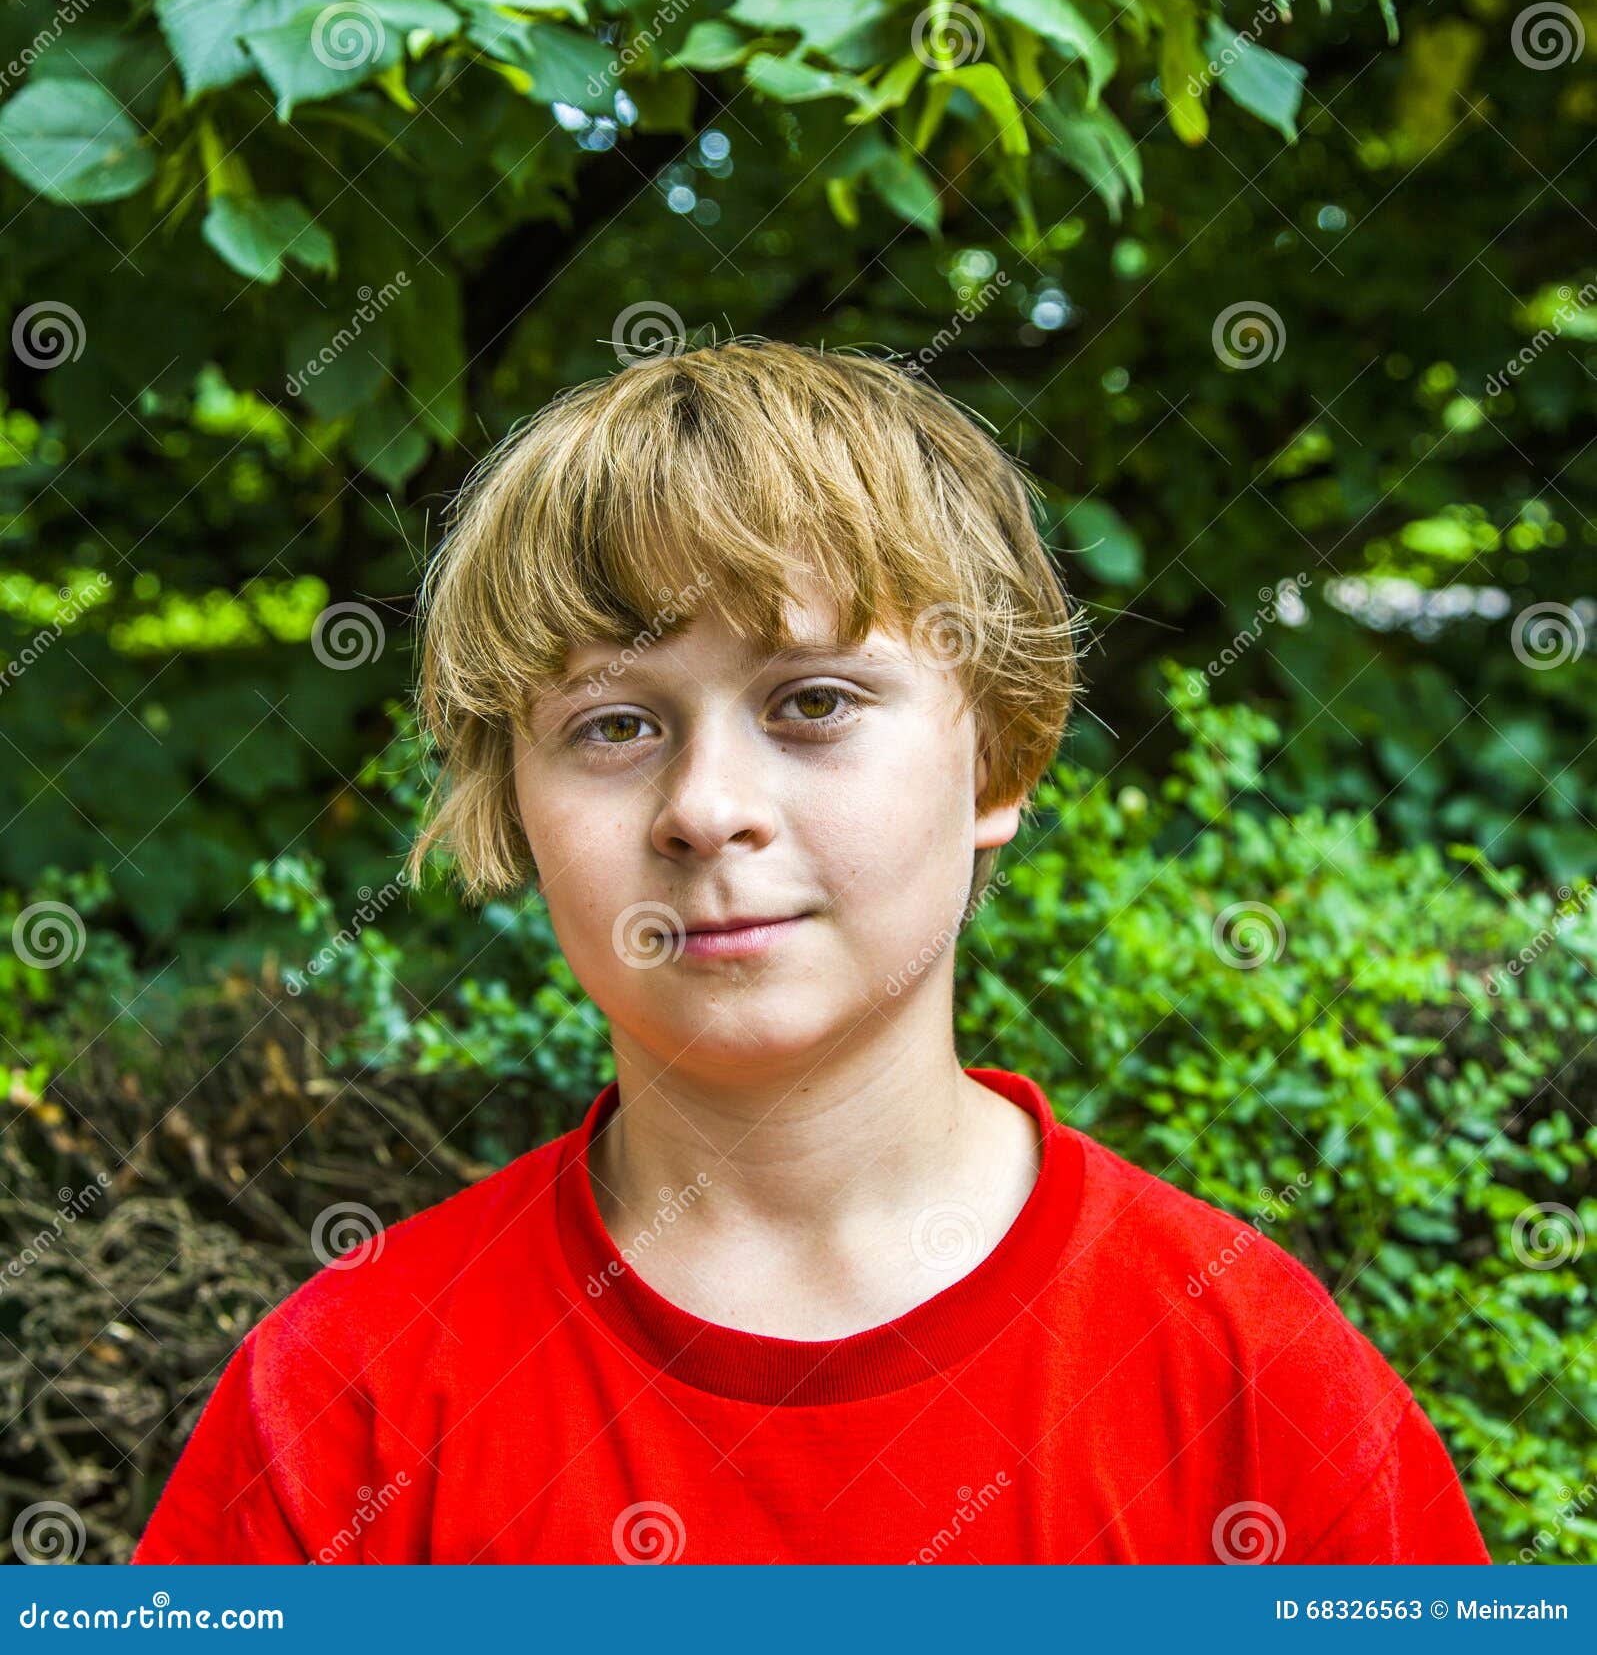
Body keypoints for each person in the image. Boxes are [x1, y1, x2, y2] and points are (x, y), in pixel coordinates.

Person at [131, 339, 1491, 1564]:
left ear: (1000, 753)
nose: (706, 805)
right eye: (612, 724)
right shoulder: (346, 1401)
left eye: (814, 701)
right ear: (515, 796)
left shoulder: (1254, 1381)